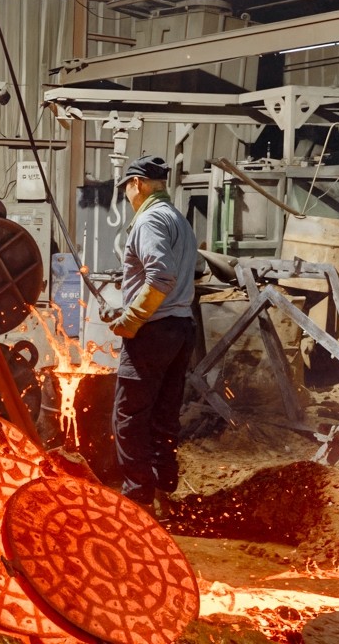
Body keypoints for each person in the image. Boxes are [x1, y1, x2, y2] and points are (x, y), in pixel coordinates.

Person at [104, 154, 197, 515]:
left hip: (153, 332)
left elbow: (161, 276)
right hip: (181, 327)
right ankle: (163, 492)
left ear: (137, 184)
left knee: (129, 417)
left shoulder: (149, 220)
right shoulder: (178, 219)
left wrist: (132, 318)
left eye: (126, 188)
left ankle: (138, 499)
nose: (127, 196)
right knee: (163, 415)